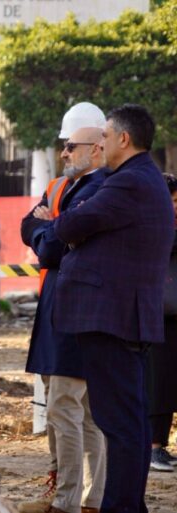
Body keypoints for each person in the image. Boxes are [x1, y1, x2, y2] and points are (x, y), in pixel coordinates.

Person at [52, 104, 174, 513]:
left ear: (124, 139)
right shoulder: (138, 179)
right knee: (129, 421)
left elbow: (67, 226)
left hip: (112, 318)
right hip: (124, 317)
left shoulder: (128, 183)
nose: (99, 142)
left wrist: (59, 222)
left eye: (104, 135)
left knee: (120, 423)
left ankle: (121, 506)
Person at [20, 106, 108, 513]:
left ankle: (68, 500)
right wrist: (46, 227)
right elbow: (30, 227)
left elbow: (51, 245)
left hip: (79, 309)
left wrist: (46, 227)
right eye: (64, 145)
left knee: (67, 407)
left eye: (71, 146)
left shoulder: (100, 189)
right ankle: (90, 498)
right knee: (81, 410)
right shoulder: (64, 187)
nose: (65, 153)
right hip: (62, 305)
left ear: (95, 147)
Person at [147, 173, 177, 472]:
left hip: (171, 315)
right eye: (171, 200)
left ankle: (161, 446)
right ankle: (153, 447)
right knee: (159, 382)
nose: (174, 206)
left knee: (168, 383)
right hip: (157, 315)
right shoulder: (154, 226)